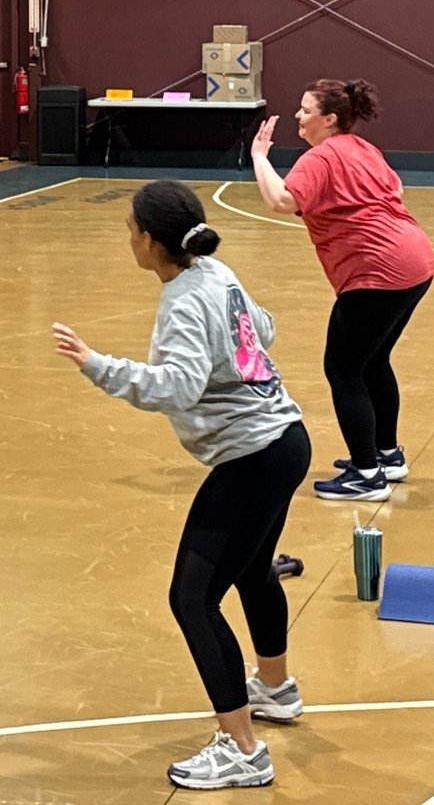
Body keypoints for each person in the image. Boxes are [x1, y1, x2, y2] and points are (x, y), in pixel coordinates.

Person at [52, 181, 311, 792]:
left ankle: (243, 750)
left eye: (130, 229)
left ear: (149, 240)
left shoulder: (184, 302)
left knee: (192, 599)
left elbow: (177, 388)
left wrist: (97, 364)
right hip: (286, 440)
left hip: (252, 456)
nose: (128, 238)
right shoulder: (216, 273)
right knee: (250, 572)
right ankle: (275, 689)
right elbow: (265, 329)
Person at [250, 77, 434, 503]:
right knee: (372, 362)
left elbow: (281, 201)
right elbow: (396, 188)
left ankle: (366, 475)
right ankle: (387, 456)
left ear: (329, 119)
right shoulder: (361, 147)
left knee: (343, 368)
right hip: (416, 260)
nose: (298, 116)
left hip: (377, 271)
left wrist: (260, 156)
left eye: (306, 110)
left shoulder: (320, 158)